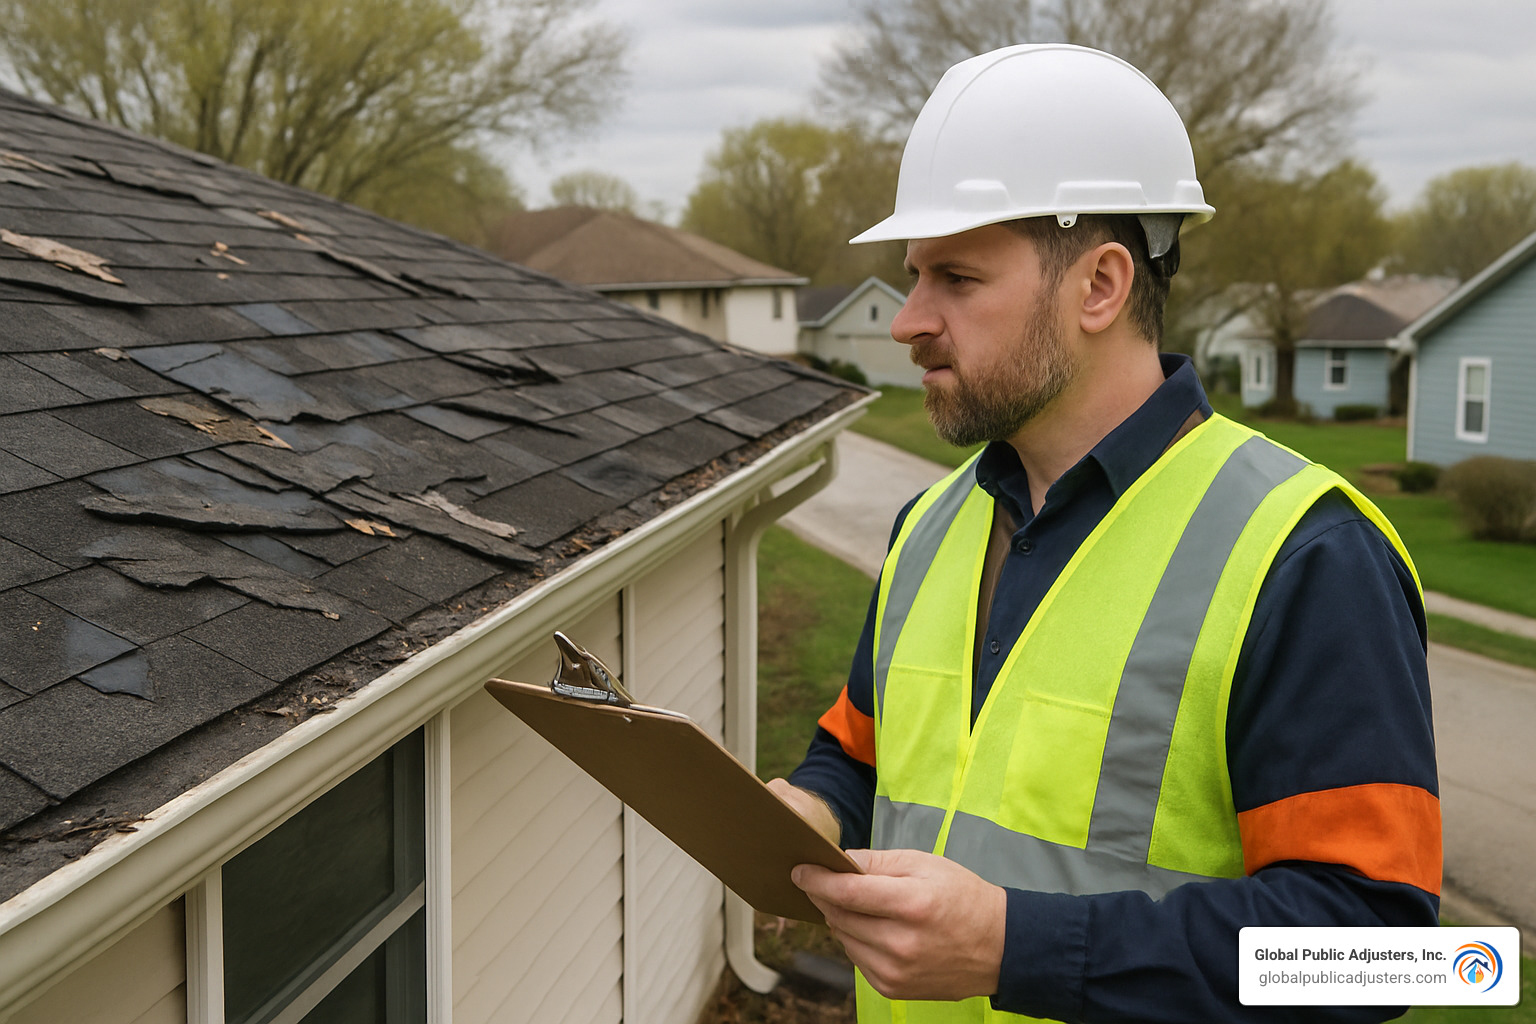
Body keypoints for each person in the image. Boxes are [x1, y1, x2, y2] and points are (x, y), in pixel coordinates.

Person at [765, 44, 1440, 1023]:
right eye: (914, 277)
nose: (908, 320)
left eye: (956, 276)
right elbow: (859, 754)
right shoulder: (930, 525)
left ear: (1100, 285)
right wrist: (811, 810)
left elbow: (1379, 955)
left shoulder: (1306, 554)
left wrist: (1016, 947)